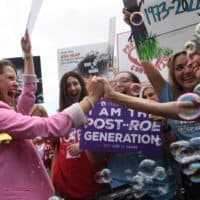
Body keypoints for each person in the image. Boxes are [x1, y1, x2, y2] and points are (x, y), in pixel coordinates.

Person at [0, 31, 104, 199]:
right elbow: (47, 126)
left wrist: (27, 56)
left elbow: (28, 93)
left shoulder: (9, 113)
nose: (15, 82)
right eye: (10, 78)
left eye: (16, 78)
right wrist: (91, 99)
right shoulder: (2, 116)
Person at [86, 71, 177, 200]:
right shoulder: (104, 118)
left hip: (160, 192)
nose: (119, 85)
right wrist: (88, 131)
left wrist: (165, 128)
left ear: (136, 87)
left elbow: (174, 151)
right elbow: (95, 159)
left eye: (124, 80)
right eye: (114, 83)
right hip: (122, 192)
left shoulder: (155, 109)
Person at [52, 71, 109, 200]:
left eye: (75, 83)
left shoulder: (99, 110)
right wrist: (53, 178)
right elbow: (57, 150)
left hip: (92, 182)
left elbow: (105, 142)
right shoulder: (61, 116)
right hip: (67, 185)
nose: (72, 88)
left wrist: (84, 143)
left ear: (81, 86)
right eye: (67, 86)